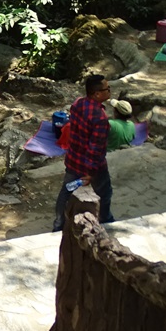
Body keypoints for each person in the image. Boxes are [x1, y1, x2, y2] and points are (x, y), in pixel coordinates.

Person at [52, 75, 115, 231]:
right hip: (92, 167)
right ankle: (105, 220)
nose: (110, 91)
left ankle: (58, 224)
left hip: (73, 160)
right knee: (104, 193)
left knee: (67, 191)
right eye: (107, 89)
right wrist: (90, 173)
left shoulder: (79, 104)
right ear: (97, 94)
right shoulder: (100, 118)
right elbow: (95, 149)